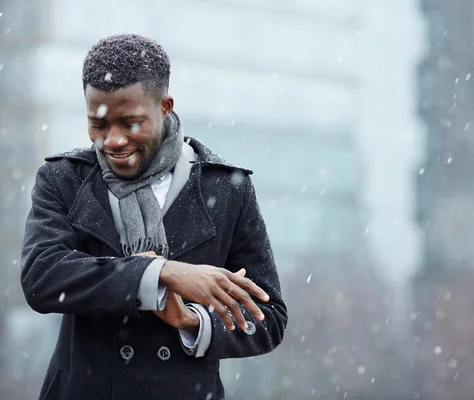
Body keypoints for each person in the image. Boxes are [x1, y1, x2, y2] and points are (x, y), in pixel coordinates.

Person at [20, 33, 287, 400]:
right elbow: (43, 277)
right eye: (98, 124)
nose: (112, 141)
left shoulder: (226, 189)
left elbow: (267, 318)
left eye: (130, 123)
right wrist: (160, 272)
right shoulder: (65, 179)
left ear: (165, 106)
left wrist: (194, 322)